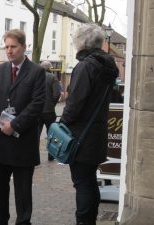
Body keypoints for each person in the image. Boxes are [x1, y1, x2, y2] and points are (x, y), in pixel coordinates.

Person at [0, 29, 45, 225]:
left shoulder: (37, 72)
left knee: (23, 191)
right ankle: (0, 221)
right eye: (6, 47)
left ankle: (23, 221)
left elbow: (37, 105)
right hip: (0, 141)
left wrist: (15, 125)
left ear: (24, 47)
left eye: (13, 46)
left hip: (22, 141)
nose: (9, 51)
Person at [60, 24, 118, 225]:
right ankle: (89, 220)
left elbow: (74, 104)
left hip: (81, 137)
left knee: (82, 183)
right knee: (90, 181)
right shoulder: (107, 66)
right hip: (96, 135)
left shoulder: (85, 66)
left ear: (82, 42)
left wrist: (61, 124)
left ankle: (83, 221)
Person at [39, 61, 61, 161]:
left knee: (36, 133)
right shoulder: (53, 77)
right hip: (49, 111)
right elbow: (57, 94)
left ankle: (34, 154)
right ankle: (50, 155)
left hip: (37, 111)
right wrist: (52, 104)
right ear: (49, 68)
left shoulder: (35, 77)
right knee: (51, 133)